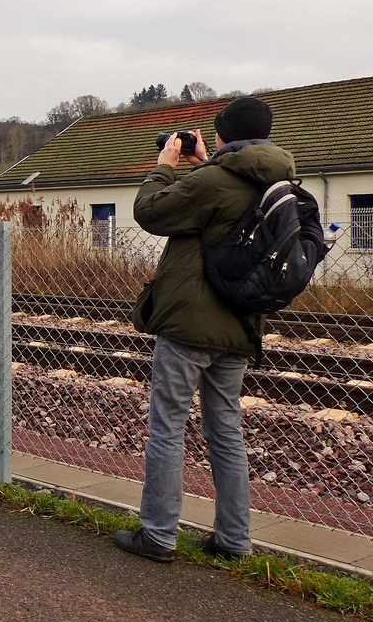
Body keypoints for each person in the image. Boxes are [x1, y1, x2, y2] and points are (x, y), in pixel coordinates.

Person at [114, 97, 294, 563]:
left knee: (167, 427)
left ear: (224, 135)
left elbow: (150, 212)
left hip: (190, 323)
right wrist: (206, 162)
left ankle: (157, 534)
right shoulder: (277, 180)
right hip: (239, 323)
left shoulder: (212, 180)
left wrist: (164, 166)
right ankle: (234, 540)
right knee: (226, 431)